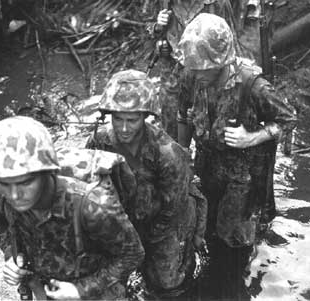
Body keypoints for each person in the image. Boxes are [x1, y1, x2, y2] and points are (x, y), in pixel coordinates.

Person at [176, 13, 296, 297]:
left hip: (242, 177)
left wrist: (251, 137)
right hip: (207, 165)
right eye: (194, 67)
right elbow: (183, 114)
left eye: (205, 68)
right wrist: (183, 157)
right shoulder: (190, 74)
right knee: (204, 231)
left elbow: (289, 119)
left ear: (222, 62)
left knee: (234, 246)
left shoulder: (253, 86)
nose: (197, 73)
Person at [0, 116, 144, 300]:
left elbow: (132, 254)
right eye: (5, 184)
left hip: (95, 289)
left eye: (25, 183)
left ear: (47, 172)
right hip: (44, 283)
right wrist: (11, 256)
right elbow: (3, 229)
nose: (14, 195)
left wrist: (82, 290)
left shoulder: (93, 205)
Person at [86, 69, 207, 297]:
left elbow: (173, 209)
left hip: (164, 222)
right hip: (125, 218)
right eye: (117, 119)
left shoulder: (167, 153)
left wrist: (145, 241)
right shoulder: (98, 141)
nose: (123, 128)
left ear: (145, 116)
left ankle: (190, 251)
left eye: (131, 120)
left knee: (168, 283)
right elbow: (88, 186)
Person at [147, 0, 250, 141]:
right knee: (171, 122)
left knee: (209, 124)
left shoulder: (218, 3)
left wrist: (237, 76)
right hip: (173, 70)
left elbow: (230, 40)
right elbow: (150, 28)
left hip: (207, 71)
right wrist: (158, 29)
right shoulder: (165, 2)